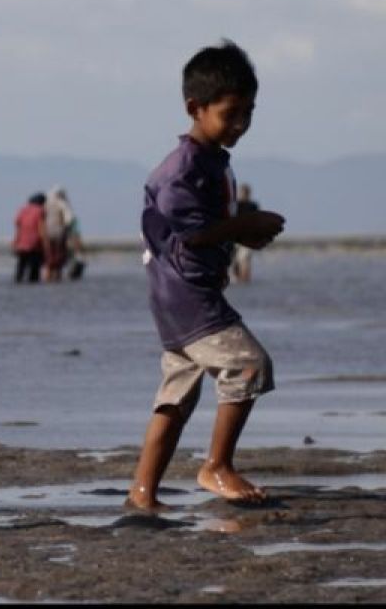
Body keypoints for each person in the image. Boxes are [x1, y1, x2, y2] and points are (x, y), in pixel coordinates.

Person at [126, 40, 286, 513]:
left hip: (183, 294)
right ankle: (216, 465)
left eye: (249, 113)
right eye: (231, 113)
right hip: (185, 295)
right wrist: (244, 227)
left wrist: (240, 235)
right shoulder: (181, 168)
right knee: (250, 364)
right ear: (195, 108)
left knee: (177, 395)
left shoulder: (213, 159)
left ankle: (142, 492)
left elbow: (204, 232)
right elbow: (192, 233)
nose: (241, 125)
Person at [12, 193, 47, 284]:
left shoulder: (22, 210)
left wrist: (15, 242)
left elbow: (18, 226)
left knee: (21, 266)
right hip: (34, 244)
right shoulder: (40, 210)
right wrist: (46, 243)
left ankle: (18, 283)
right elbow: (41, 228)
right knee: (34, 269)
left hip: (21, 243)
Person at [43, 186, 74, 282]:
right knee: (59, 258)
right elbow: (69, 219)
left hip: (46, 233)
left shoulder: (46, 204)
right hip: (59, 233)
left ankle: (47, 278)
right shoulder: (62, 204)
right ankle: (57, 278)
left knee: (49, 258)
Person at [230, 183, 259, 283]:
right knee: (234, 261)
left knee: (245, 260)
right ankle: (240, 281)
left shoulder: (253, 206)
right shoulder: (235, 205)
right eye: (242, 192)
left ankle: (246, 281)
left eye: (245, 192)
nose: (243, 194)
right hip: (234, 238)